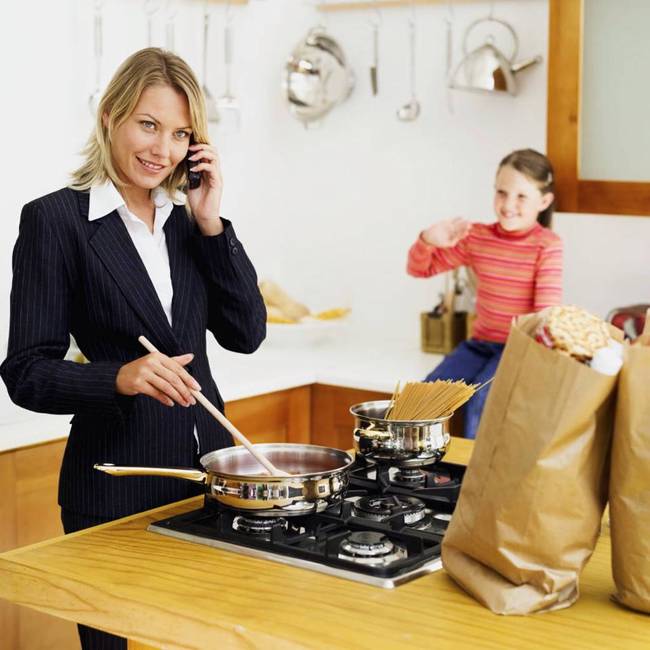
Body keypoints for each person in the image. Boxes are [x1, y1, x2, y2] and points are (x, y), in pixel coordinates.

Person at [0, 48, 266, 649]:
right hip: (113, 487)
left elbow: (246, 334)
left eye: (179, 134)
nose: (162, 149)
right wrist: (120, 377)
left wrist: (211, 223)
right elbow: (26, 372)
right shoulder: (55, 221)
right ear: (111, 117)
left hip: (210, 483)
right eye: (148, 125)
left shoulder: (188, 220)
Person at [407, 149, 562, 439]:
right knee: (425, 397)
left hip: (519, 348)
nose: (508, 205)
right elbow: (420, 269)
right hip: (479, 345)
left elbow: (545, 314)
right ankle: (424, 478)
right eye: (502, 193)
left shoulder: (547, 245)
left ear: (544, 201)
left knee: (480, 402)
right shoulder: (477, 237)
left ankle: (472, 481)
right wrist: (428, 239)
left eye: (521, 196)